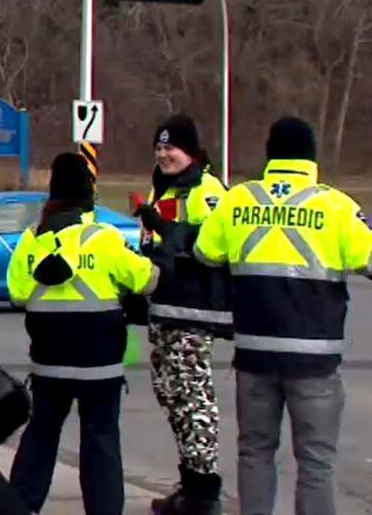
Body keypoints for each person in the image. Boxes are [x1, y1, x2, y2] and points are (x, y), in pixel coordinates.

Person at [194, 117, 372, 515]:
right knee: (316, 464)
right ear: (311, 157)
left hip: (253, 355)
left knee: (254, 453)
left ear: (270, 155)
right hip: (314, 360)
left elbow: (205, 253)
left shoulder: (238, 201)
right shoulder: (334, 206)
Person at [8, 153, 159, 515]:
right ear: (89, 192)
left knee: (42, 434)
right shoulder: (103, 239)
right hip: (99, 365)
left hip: (49, 363)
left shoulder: (32, 241)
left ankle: (18, 506)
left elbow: (16, 293)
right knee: (101, 438)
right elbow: (147, 278)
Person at [134, 116, 231, 515]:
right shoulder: (166, 189)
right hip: (164, 310)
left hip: (193, 311)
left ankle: (205, 492)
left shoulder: (206, 190)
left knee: (194, 399)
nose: (163, 154)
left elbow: (210, 246)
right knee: (171, 396)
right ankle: (189, 483)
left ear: (189, 151)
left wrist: (159, 225)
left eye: (170, 148)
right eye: (158, 148)